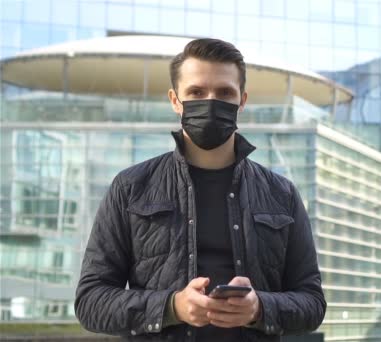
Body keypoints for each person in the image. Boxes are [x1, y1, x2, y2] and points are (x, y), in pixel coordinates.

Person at [74, 38, 325, 341]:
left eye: (224, 93)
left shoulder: (281, 194)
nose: (210, 101)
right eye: (196, 92)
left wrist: (260, 308)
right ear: (174, 100)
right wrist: (171, 307)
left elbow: (312, 303)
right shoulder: (130, 188)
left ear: (242, 101)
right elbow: (90, 302)